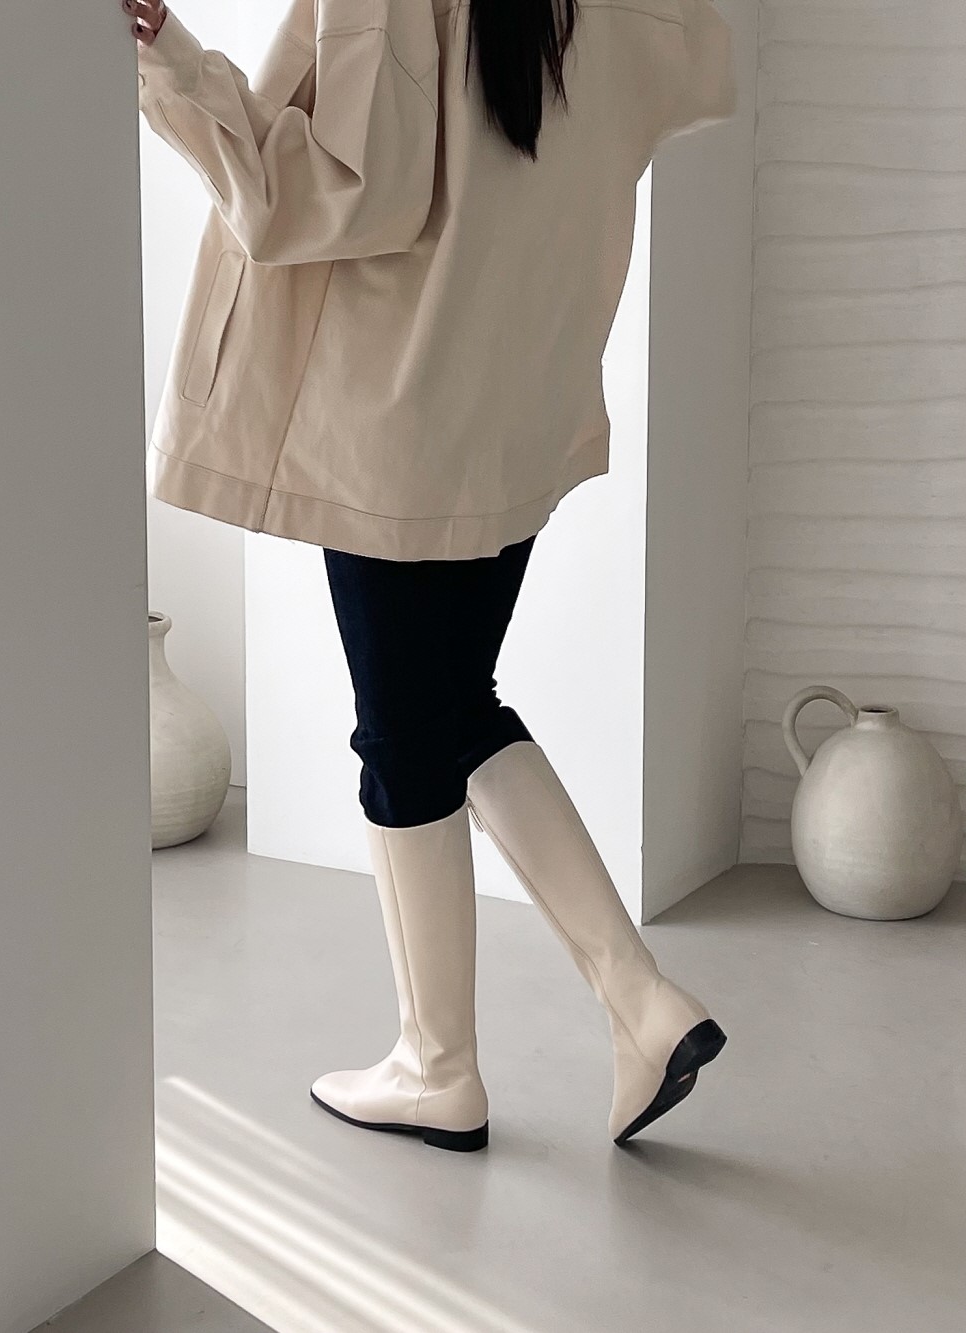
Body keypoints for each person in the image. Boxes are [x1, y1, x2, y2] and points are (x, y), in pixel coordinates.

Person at [132, 0, 737, 1151]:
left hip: (399, 414)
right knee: (452, 706)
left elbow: (312, 199)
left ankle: (439, 1063)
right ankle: (638, 1003)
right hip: (521, 399)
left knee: (406, 734)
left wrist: (169, 61)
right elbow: (683, 79)